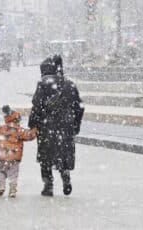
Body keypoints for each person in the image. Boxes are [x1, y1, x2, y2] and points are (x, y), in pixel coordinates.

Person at [28, 55, 84, 197]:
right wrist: (76, 124)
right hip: (66, 125)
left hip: (47, 126)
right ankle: (65, 175)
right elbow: (80, 107)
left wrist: (33, 124)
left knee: (45, 156)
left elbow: (36, 106)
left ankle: (48, 185)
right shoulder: (70, 84)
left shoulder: (43, 83)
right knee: (64, 153)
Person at [0, 105, 37, 198]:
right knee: (13, 174)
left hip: (2, 156)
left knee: (2, 172)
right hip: (14, 156)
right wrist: (35, 130)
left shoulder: (2, 129)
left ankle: (1, 186)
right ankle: (12, 189)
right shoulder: (19, 130)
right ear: (17, 120)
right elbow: (29, 135)